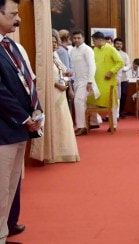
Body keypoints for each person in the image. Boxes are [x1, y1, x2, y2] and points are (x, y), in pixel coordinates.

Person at [0, 0, 43, 242]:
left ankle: (4, 233)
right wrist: (25, 117)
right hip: (4, 129)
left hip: (20, 129)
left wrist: (37, 111)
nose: (18, 19)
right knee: (0, 189)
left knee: (11, 186)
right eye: (13, 14)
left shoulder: (13, 46)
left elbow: (28, 82)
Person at [30, 29, 80, 163]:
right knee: (55, 120)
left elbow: (63, 72)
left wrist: (67, 75)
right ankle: (53, 152)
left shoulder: (56, 56)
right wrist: (56, 84)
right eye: (51, 42)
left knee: (63, 120)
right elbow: (42, 76)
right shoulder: (43, 58)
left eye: (55, 41)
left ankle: (64, 151)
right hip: (51, 93)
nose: (54, 44)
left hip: (61, 92)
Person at [88, 31, 124, 132]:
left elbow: (120, 62)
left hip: (108, 82)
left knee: (111, 104)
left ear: (100, 40)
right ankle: (93, 123)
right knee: (91, 100)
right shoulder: (94, 49)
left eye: (94, 41)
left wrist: (111, 72)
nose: (93, 43)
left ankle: (114, 125)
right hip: (96, 81)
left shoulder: (111, 48)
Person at [70, 29, 99, 136]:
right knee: (79, 103)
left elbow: (92, 66)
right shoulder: (72, 50)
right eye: (74, 38)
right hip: (77, 81)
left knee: (78, 101)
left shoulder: (87, 50)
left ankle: (82, 127)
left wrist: (90, 81)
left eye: (78, 38)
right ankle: (86, 124)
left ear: (83, 38)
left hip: (86, 81)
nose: (76, 40)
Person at [113, 37, 131, 118]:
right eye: (117, 44)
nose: (119, 45)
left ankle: (121, 111)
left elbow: (128, 65)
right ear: (114, 44)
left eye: (120, 44)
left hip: (123, 78)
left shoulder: (125, 54)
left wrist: (123, 68)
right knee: (114, 96)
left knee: (123, 94)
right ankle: (113, 112)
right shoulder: (111, 52)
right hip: (113, 78)